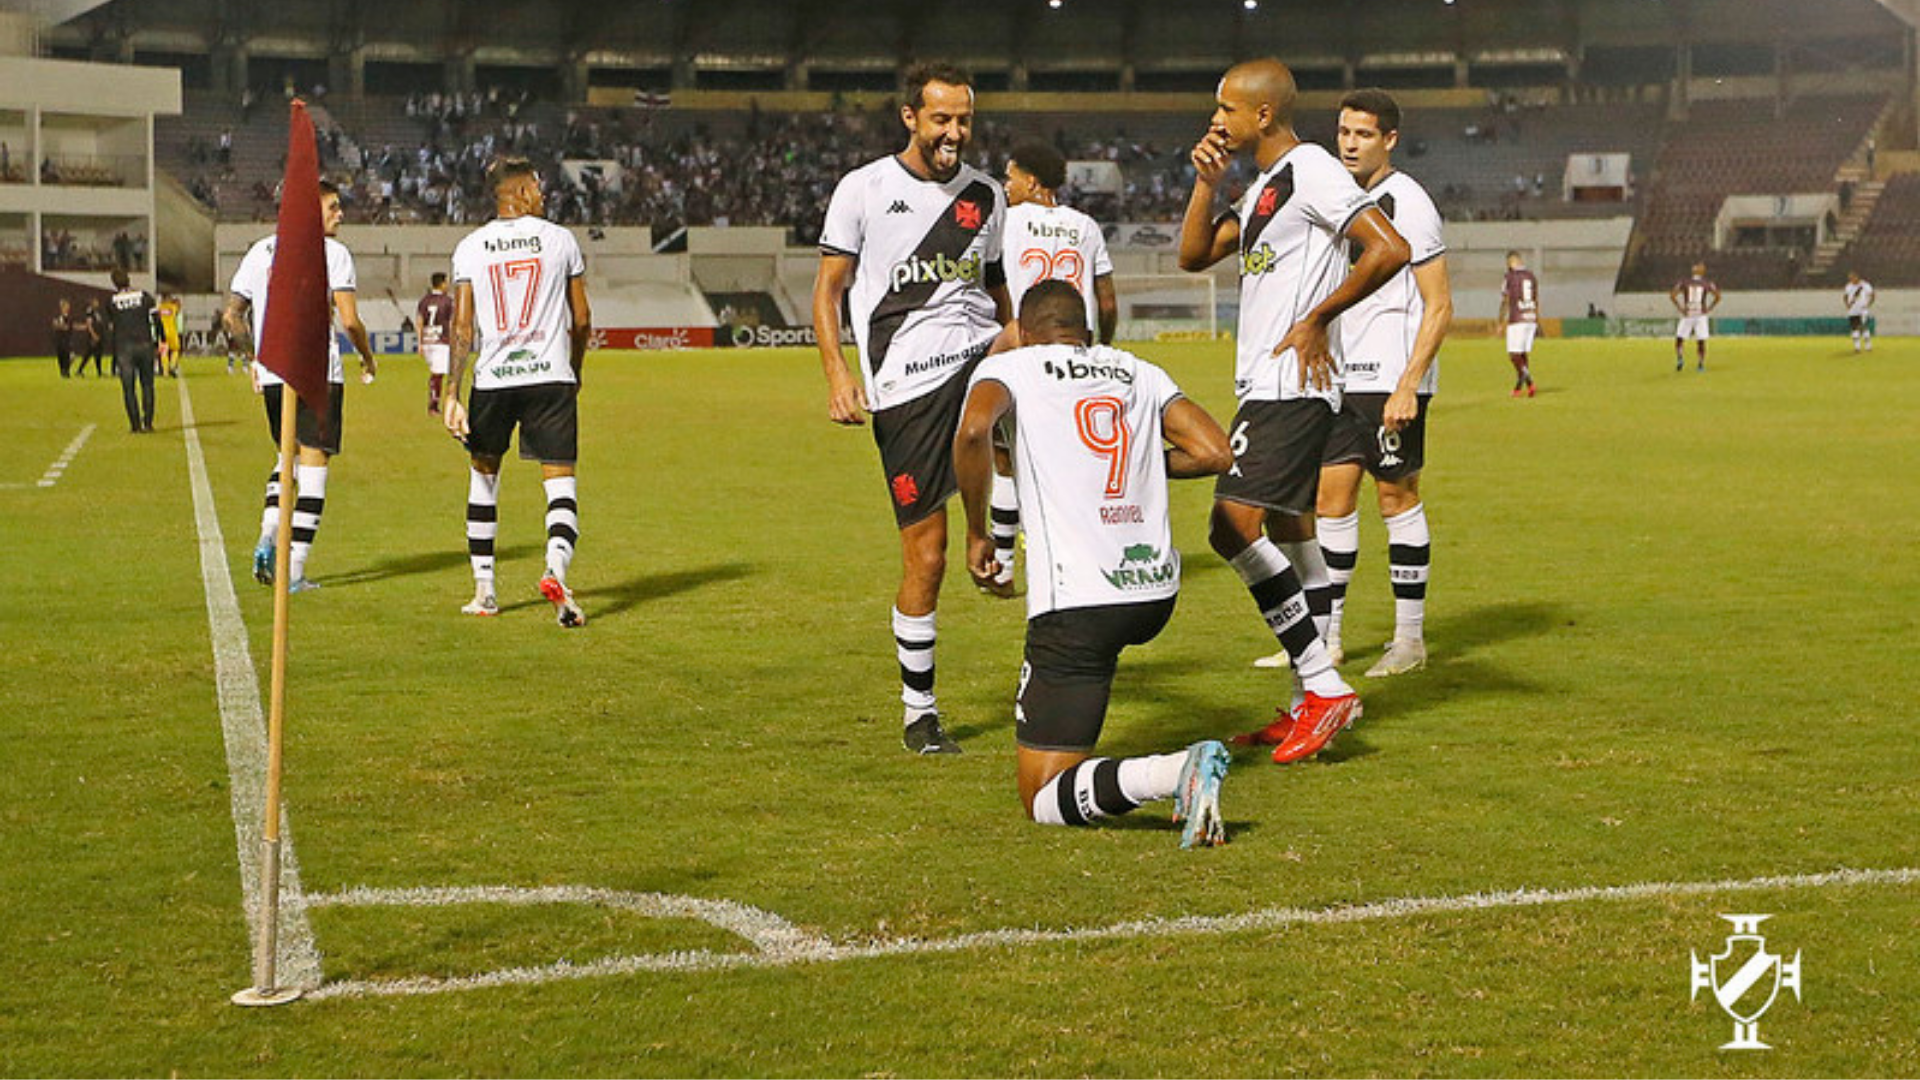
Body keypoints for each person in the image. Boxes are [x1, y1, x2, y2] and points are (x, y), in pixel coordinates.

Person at [1177, 57, 1409, 763]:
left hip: (1294, 384)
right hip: (1267, 383)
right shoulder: (1264, 191)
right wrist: (1207, 183)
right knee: (1286, 526)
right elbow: (1192, 255)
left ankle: (1325, 685)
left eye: (1227, 108)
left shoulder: (1311, 169)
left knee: (1230, 526)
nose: (1217, 119)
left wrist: (1316, 318)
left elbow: (1388, 249)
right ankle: (1316, 692)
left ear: (1264, 115)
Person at [954, 281, 1233, 846]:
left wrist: (977, 531)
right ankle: (1165, 768)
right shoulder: (1137, 369)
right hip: (1152, 593)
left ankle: (1174, 770)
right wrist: (1143, 464)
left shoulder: (1015, 368)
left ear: (1023, 333)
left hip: (1079, 601)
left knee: (1042, 797)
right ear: (1083, 327)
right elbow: (1215, 452)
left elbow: (974, 430)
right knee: (1087, 683)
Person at [812, 62, 1011, 755]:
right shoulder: (863, 190)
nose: (955, 133)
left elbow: (998, 291)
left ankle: (1003, 541)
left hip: (980, 359)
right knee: (927, 556)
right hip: (904, 389)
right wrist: (838, 372)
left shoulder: (988, 196)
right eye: (941, 120)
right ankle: (919, 712)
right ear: (909, 118)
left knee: (1036, 443)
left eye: (964, 120)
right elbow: (829, 292)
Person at [1256, 89, 1450, 678]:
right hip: (1341, 377)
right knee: (1328, 500)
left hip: (1389, 376)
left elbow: (1439, 305)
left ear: (1389, 139)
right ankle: (1327, 639)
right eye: (1343, 131)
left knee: (1396, 496)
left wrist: (1409, 384)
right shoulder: (1342, 201)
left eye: (1363, 134)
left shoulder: (1407, 202)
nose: (1348, 143)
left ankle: (1409, 640)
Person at [443, 156, 593, 626]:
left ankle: (485, 590)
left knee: (484, 478)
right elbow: (582, 319)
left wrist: (452, 391)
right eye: (537, 187)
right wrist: (575, 368)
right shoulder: (560, 240)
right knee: (560, 481)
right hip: (550, 376)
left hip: (493, 380)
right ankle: (555, 569)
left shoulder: (470, 247)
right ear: (521, 192)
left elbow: (462, 326)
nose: (544, 195)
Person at [224, 177, 378, 593]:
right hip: (316, 373)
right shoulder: (334, 253)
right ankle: (293, 570)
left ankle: (268, 533)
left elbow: (231, 316)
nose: (340, 215)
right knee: (313, 467)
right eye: (332, 208)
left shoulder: (260, 250)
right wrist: (366, 355)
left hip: (274, 373)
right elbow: (348, 320)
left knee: (284, 456)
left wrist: (255, 356)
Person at [993, 140, 1121, 594]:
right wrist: (1104, 347)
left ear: (1030, 181)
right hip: (1077, 352)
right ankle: (1085, 559)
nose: (1005, 187)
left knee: (1006, 456)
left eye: (1010, 177)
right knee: (1075, 459)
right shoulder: (1084, 226)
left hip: (1023, 351)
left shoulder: (1004, 222)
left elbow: (991, 287)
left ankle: (1004, 565)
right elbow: (1105, 299)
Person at [105, 268, 162, 433]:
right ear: (129, 279)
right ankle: (148, 423)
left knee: (128, 387)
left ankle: (135, 424)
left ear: (114, 283)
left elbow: (111, 327)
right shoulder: (144, 296)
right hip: (145, 344)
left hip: (124, 348)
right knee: (147, 385)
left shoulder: (112, 302)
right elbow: (156, 320)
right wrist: (159, 340)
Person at [1498, 251, 1538, 396]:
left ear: (1510, 262)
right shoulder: (1531, 276)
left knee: (1514, 355)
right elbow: (1535, 298)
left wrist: (1500, 320)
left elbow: (1505, 300)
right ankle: (1518, 388)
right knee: (1522, 354)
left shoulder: (1509, 277)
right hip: (1530, 318)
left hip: (1517, 319)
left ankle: (1530, 381)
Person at [1669, 262, 1719, 372]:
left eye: (1700, 267)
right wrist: (1681, 309)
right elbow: (1672, 295)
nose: (1697, 268)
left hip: (1696, 315)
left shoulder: (1698, 282)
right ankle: (1682, 359)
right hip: (1692, 315)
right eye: (1698, 266)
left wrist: (1709, 308)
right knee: (1681, 338)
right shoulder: (1692, 282)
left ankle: (1699, 363)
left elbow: (1717, 296)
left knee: (1698, 340)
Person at [417, 272, 456, 414]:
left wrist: (420, 343)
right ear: (442, 284)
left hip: (428, 340)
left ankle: (439, 401)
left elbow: (420, 321)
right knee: (441, 373)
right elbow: (452, 322)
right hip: (441, 341)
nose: (448, 285)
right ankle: (436, 404)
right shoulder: (448, 301)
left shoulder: (424, 300)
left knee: (438, 372)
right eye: (446, 282)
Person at [1844, 270, 1874, 353]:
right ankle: (1857, 347)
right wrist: (1847, 305)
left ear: (1857, 277)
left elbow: (1872, 295)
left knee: (1863, 326)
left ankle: (1868, 346)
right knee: (1854, 328)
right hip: (1852, 311)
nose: (1851, 279)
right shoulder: (1848, 286)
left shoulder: (1865, 285)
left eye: (1852, 277)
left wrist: (1868, 304)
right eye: (1849, 278)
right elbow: (1845, 296)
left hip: (1862, 310)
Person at [77, 300, 108, 377]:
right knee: (88, 353)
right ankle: (79, 370)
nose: (97, 303)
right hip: (94, 336)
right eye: (95, 302)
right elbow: (89, 324)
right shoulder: (90, 312)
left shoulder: (96, 312)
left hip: (99, 335)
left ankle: (99, 372)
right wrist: (93, 335)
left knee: (98, 354)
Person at [155, 294, 182, 377]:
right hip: (172, 331)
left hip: (163, 332)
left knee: (164, 352)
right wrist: (175, 301)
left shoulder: (159, 308)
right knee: (175, 350)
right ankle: (172, 366)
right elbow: (179, 307)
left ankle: (165, 372)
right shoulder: (173, 307)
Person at [51, 298, 73, 378]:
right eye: (66, 306)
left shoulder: (69, 317)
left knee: (69, 356)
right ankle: (63, 371)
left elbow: (69, 326)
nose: (68, 308)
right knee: (61, 356)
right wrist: (61, 327)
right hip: (60, 339)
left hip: (67, 340)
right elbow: (55, 325)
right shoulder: (58, 316)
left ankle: (66, 370)